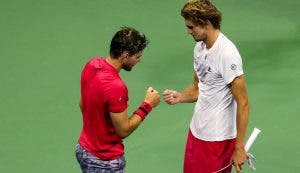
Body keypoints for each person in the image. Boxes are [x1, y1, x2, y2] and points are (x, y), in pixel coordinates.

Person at [163, 0, 249, 172]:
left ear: (206, 24)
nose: (188, 32)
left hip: (218, 139)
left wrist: (239, 148)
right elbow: (198, 87)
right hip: (197, 131)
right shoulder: (199, 48)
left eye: (191, 27)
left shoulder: (227, 54)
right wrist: (180, 96)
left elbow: (243, 103)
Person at [75, 27, 160, 173]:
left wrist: (98, 129)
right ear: (125, 56)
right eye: (138, 57)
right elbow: (123, 130)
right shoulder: (116, 87)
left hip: (83, 150)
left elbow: (82, 104)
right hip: (104, 162)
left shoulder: (91, 65)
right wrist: (147, 105)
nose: (139, 61)